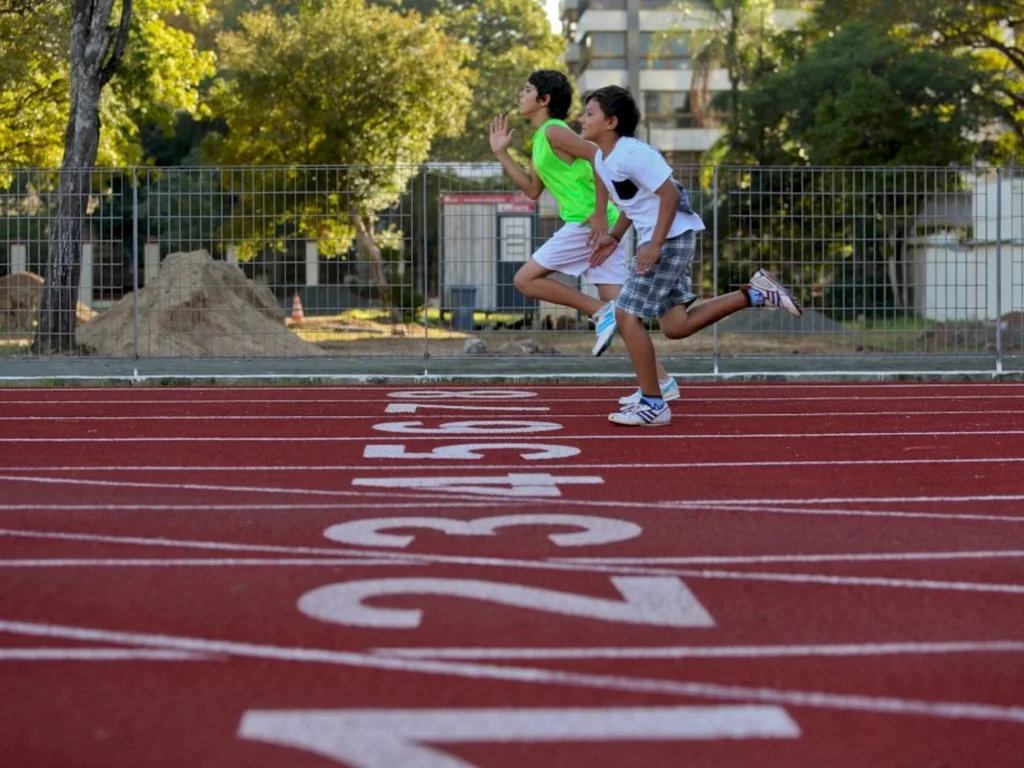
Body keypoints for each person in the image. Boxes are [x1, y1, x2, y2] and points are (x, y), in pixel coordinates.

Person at [582, 85, 803, 427]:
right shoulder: (602, 158)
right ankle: (756, 293)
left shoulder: (633, 154)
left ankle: (654, 403)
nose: (582, 119)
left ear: (611, 121)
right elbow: (633, 204)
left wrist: (654, 245)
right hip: (663, 237)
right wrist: (614, 236)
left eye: (590, 113)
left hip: (668, 239)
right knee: (675, 325)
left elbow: (669, 195)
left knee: (626, 317)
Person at [489, 69, 678, 402]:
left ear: (544, 100)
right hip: (594, 227)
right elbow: (533, 190)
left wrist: (598, 212)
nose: (521, 94)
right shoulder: (539, 141)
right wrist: (502, 153)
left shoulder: (553, 131)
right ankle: (661, 382)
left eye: (527, 89)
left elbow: (597, 155)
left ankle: (597, 311)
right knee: (624, 313)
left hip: (587, 224)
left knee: (525, 279)